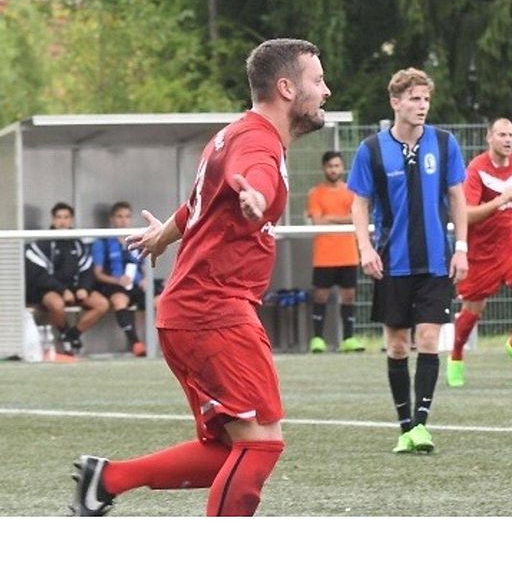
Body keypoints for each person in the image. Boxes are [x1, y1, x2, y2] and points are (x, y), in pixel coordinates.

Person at [70, 38, 332, 516]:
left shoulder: (233, 134)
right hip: (213, 310)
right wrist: (257, 190)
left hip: (195, 311)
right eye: (317, 81)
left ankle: (107, 479)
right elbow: (250, 176)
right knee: (260, 445)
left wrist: (162, 238)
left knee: (232, 448)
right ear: (287, 88)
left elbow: (198, 204)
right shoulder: (257, 144)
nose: (327, 90)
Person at [348, 67, 468, 454]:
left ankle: (421, 425)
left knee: (430, 338)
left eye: (426, 99)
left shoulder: (445, 144)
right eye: (414, 99)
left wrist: (462, 247)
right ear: (395, 102)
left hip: (436, 261)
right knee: (397, 345)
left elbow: (457, 198)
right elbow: (359, 203)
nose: (421, 106)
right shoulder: (371, 149)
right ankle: (404, 427)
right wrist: (365, 248)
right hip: (391, 261)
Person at [447, 118, 512, 387]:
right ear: (489, 138)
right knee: (472, 310)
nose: (508, 139)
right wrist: (499, 201)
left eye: (511, 134)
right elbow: (466, 213)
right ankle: (455, 357)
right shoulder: (477, 169)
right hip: (482, 248)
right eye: (502, 134)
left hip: (511, 243)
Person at [24, 202, 109, 355]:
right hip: (49, 290)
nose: (62, 221)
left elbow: (86, 270)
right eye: (59, 217)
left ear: (71, 220)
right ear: (52, 219)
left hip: (74, 289)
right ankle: (64, 333)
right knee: (56, 303)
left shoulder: (78, 244)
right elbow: (38, 276)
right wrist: (62, 290)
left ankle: (72, 335)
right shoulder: (42, 243)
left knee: (102, 304)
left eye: (66, 217)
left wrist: (84, 288)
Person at [305, 150, 364, 353]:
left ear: (342, 167)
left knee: (348, 296)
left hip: (348, 253)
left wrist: (331, 217)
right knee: (320, 296)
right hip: (324, 255)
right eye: (330, 166)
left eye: (337, 166)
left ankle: (349, 338)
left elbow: (356, 217)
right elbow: (318, 221)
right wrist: (341, 217)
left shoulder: (351, 191)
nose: (334, 169)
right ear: (324, 168)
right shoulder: (316, 193)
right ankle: (318, 339)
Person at [92, 201, 148, 356]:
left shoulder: (138, 240)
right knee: (119, 300)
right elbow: (97, 273)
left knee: (159, 300)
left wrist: (144, 280)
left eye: (127, 216)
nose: (124, 220)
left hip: (136, 284)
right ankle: (135, 343)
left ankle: (160, 344)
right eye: (119, 216)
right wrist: (117, 281)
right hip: (114, 284)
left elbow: (143, 266)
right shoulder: (102, 241)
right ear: (112, 219)